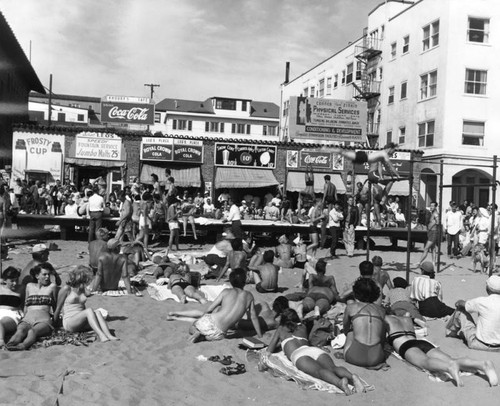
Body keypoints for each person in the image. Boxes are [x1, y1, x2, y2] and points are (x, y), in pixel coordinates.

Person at [267, 308, 366, 396]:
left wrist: (282, 345)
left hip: (299, 354)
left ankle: (339, 383)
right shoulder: (302, 326)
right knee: (333, 368)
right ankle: (352, 376)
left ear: (283, 320)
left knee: (319, 371)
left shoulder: (281, 329)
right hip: (312, 350)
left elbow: (269, 350)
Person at [386, 313, 498, 387]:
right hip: (423, 342)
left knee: (424, 362)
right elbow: (414, 318)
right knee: (451, 359)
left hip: (406, 345)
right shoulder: (406, 318)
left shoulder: (386, 319)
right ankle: (482, 364)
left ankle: (449, 367)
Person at [167, 268, 263, 343]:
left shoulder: (226, 292)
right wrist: (259, 335)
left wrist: (202, 319)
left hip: (211, 321)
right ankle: (204, 336)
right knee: (212, 335)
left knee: (192, 327)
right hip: (220, 333)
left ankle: (198, 332)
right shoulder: (249, 296)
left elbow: (210, 309)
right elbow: (254, 317)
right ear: (245, 280)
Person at [53, 266, 119, 342]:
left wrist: (83, 287)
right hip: (69, 321)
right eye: (87, 279)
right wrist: (54, 325)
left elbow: (86, 299)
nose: (88, 281)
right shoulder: (66, 289)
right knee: (89, 310)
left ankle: (109, 335)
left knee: (97, 312)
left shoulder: (82, 289)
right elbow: (58, 308)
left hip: (80, 320)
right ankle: (101, 335)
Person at [6, 263, 58, 350]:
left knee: (32, 331)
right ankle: (10, 344)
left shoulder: (52, 287)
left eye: (49, 274)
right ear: (37, 276)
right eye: (44, 274)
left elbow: (55, 305)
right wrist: (24, 317)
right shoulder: (29, 286)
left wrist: (56, 321)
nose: (47, 277)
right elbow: (26, 305)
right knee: (20, 331)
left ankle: (22, 346)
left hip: (43, 320)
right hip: (27, 319)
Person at [446, 275, 500, 351]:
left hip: (479, 344)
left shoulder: (482, 301)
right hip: (498, 347)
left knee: (460, 310)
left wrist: (460, 302)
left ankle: (452, 332)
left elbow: (459, 304)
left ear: (487, 289)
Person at [343, 278, 387, 369]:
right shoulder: (382, 311)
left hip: (355, 357)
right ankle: (371, 364)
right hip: (376, 357)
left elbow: (345, 329)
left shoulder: (351, 307)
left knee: (351, 331)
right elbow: (382, 338)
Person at [334, 143, 400, 185]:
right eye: (393, 151)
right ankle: (336, 150)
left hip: (363, 158)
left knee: (347, 155)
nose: (393, 153)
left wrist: (392, 176)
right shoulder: (384, 154)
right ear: (390, 148)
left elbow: (387, 167)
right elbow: (390, 166)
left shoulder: (382, 155)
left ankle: (338, 151)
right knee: (347, 154)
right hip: (363, 157)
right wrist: (397, 175)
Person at [0, 267, 23, 349]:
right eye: (12, 281)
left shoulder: (21, 289)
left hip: (12, 314)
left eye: (16, 280)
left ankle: (1, 342)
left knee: (0, 323)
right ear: (5, 280)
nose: (15, 283)